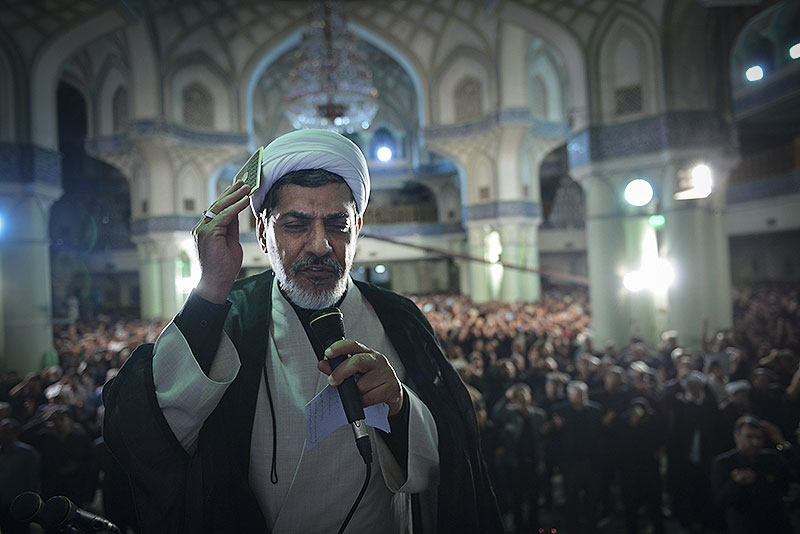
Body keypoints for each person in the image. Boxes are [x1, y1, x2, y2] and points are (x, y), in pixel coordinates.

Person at [102, 129, 501, 534]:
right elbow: (147, 436)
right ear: (263, 233)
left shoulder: (398, 319)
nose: (320, 245)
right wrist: (210, 289)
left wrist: (399, 406)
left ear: (358, 228)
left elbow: (453, 461)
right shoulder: (230, 317)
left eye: (337, 225)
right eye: (295, 225)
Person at [711, 416, 791, 534]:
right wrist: (736, 484)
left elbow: (790, 480)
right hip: (745, 526)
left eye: (759, 438)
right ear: (737, 436)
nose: (755, 442)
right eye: (749, 437)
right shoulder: (724, 463)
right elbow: (720, 500)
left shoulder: (772, 458)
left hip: (776, 525)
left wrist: (782, 444)